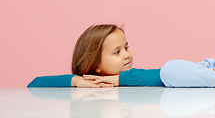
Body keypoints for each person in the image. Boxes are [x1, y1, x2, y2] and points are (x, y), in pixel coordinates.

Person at [27, 24, 163, 88]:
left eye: (126, 48)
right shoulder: (85, 84)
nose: (127, 55)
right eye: (117, 52)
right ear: (96, 64)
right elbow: (35, 84)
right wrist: (75, 81)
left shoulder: (134, 78)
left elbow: (163, 77)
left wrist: (121, 79)